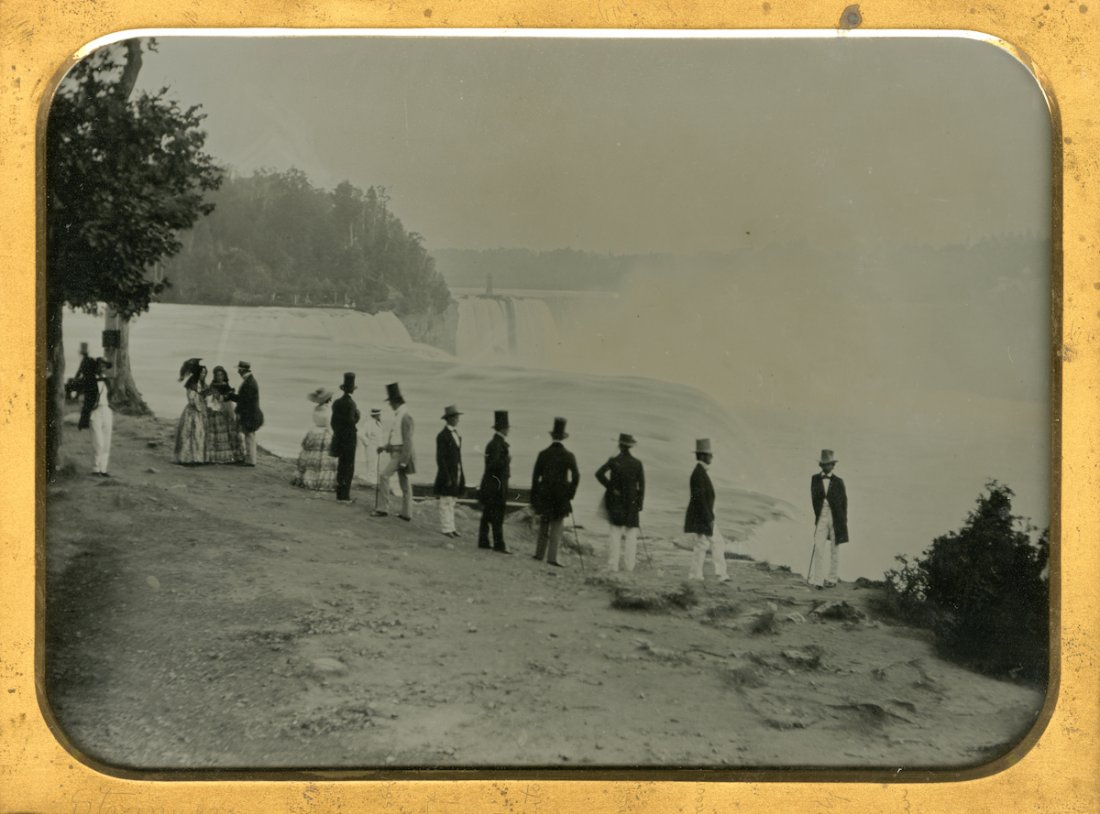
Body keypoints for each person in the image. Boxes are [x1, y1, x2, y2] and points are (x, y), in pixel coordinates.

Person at [531, 417, 580, 567]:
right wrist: (570, 493)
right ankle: (552, 557)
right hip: (561, 496)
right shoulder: (569, 455)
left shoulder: (543, 454)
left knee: (544, 524)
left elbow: (535, 477)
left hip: (545, 494)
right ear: (564, 437)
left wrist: (535, 496)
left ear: (552, 436)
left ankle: (539, 554)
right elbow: (576, 476)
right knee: (557, 526)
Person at [595, 433, 645, 573]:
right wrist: (639, 504)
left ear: (619, 445)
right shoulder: (637, 463)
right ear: (631, 446)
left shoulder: (613, 461)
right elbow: (642, 486)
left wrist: (611, 487)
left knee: (615, 533)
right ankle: (629, 566)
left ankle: (613, 566)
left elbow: (599, 474)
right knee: (631, 535)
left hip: (616, 501)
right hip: (632, 502)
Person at [685, 438, 729, 583]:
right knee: (718, 542)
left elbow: (701, 500)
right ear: (703, 456)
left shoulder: (699, 472)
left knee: (701, 545)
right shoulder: (699, 474)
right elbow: (701, 501)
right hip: (704, 516)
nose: (712, 457)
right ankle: (721, 574)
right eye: (710, 454)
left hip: (701, 516)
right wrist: (709, 519)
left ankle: (695, 575)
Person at [372, 382, 415, 521]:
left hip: (401, 454)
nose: (390, 405)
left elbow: (407, 441)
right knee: (404, 483)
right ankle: (406, 513)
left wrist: (404, 461)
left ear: (396, 401)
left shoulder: (405, 416)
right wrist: (385, 447)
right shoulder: (400, 414)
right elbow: (396, 438)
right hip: (397, 453)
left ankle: (383, 509)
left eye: (390, 402)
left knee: (384, 476)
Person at [808, 449, 849, 589]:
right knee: (819, 547)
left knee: (834, 549)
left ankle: (832, 579)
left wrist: (843, 522)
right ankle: (818, 581)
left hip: (836, 518)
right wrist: (818, 515)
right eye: (824, 464)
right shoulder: (815, 479)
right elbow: (814, 499)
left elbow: (844, 503)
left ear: (833, 465)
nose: (827, 466)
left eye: (829, 464)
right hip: (821, 516)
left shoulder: (839, 481)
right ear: (821, 465)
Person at [477, 410, 512, 552]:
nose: (508, 430)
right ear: (503, 429)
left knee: (487, 514)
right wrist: (507, 460)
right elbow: (493, 465)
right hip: (496, 486)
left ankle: (483, 541)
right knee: (497, 515)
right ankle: (498, 544)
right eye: (507, 428)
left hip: (490, 484)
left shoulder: (493, 443)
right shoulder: (497, 444)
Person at [292, 387, 339, 491]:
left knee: (311, 457)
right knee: (323, 460)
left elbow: (316, 421)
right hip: (324, 433)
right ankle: (319, 481)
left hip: (314, 431)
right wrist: (334, 436)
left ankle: (307, 479)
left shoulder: (316, 409)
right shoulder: (328, 410)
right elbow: (328, 426)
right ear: (328, 399)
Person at [434, 405, 466, 538]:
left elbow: (458, 457)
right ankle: (446, 528)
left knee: (452, 501)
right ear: (450, 419)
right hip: (447, 473)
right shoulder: (442, 436)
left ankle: (451, 527)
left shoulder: (456, 434)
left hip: (456, 471)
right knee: (445, 501)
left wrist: (461, 473)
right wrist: (446, 476)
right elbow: (440, 458)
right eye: (456, 417)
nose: (458, 419)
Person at [329, 373, 361, 504]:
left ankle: (339, 494)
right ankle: (345, 496)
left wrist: (338, 433)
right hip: (349, 439)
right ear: (352, 389)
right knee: (348, 466)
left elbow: (333, 422)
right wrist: (358, 417)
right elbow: (351, 422)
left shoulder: (336, 403)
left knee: (341, 466)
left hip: (339, 437)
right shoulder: (351, 404)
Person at [205, 365, 244, 464]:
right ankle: (220, 457)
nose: (220, 377)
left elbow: (231, 396)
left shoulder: (226, 384)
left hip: (228, 409)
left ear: (224, 375)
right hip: (217, 410)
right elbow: (212, 399)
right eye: (218, 375)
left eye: (221, 375)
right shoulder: (213, 386)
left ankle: (233, 456)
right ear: (215, 376)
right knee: (219, 433)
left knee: (231, 431)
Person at [227, 360, 263, 466]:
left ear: (242, 370)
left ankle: (251, 461)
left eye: (239, 370)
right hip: (252, 413)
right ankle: (251, 459)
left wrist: (230, 395)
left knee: (249, 436)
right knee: (250, 436)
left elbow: (242, 400)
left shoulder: (249, 383)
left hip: (249, 414)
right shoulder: (250, 381)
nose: (238, 372)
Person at [174, 358, 208, 465]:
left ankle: (198, 458)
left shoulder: (201, 383)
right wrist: (200, 403)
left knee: (199, 434)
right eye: (202, 373)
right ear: (198, 373)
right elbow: (191, 399)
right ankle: (187, 458)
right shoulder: (192, 384)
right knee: (190, 433)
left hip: (200, 410)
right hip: (193, 411)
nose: (204, 375)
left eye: (205, 373)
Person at [85, 357, 113, 476]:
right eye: (100, 365)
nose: (102, 367)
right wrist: (89, 409)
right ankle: (96, 468)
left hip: (106, 410)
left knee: (106, 442)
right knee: (98, 442)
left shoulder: (108, 381)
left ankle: (103, 469)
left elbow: (112, 395)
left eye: (104, 365)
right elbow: (83, 397)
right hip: (95, 412)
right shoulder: (90, 380)